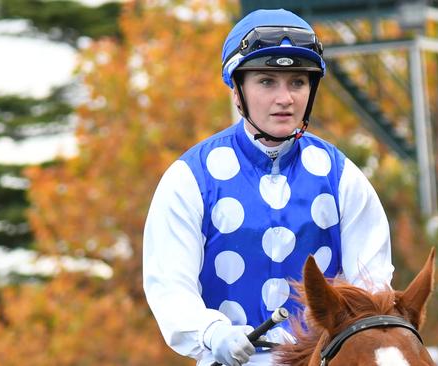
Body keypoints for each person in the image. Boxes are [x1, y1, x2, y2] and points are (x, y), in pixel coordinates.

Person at [143, 8, 394, 366]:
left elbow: (372, 287)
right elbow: (169, 289)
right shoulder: (188, 179)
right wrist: (213, 334)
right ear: (237, 90)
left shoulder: (344, 177)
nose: (285, 98)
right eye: (267, 81)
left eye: (297, 82)